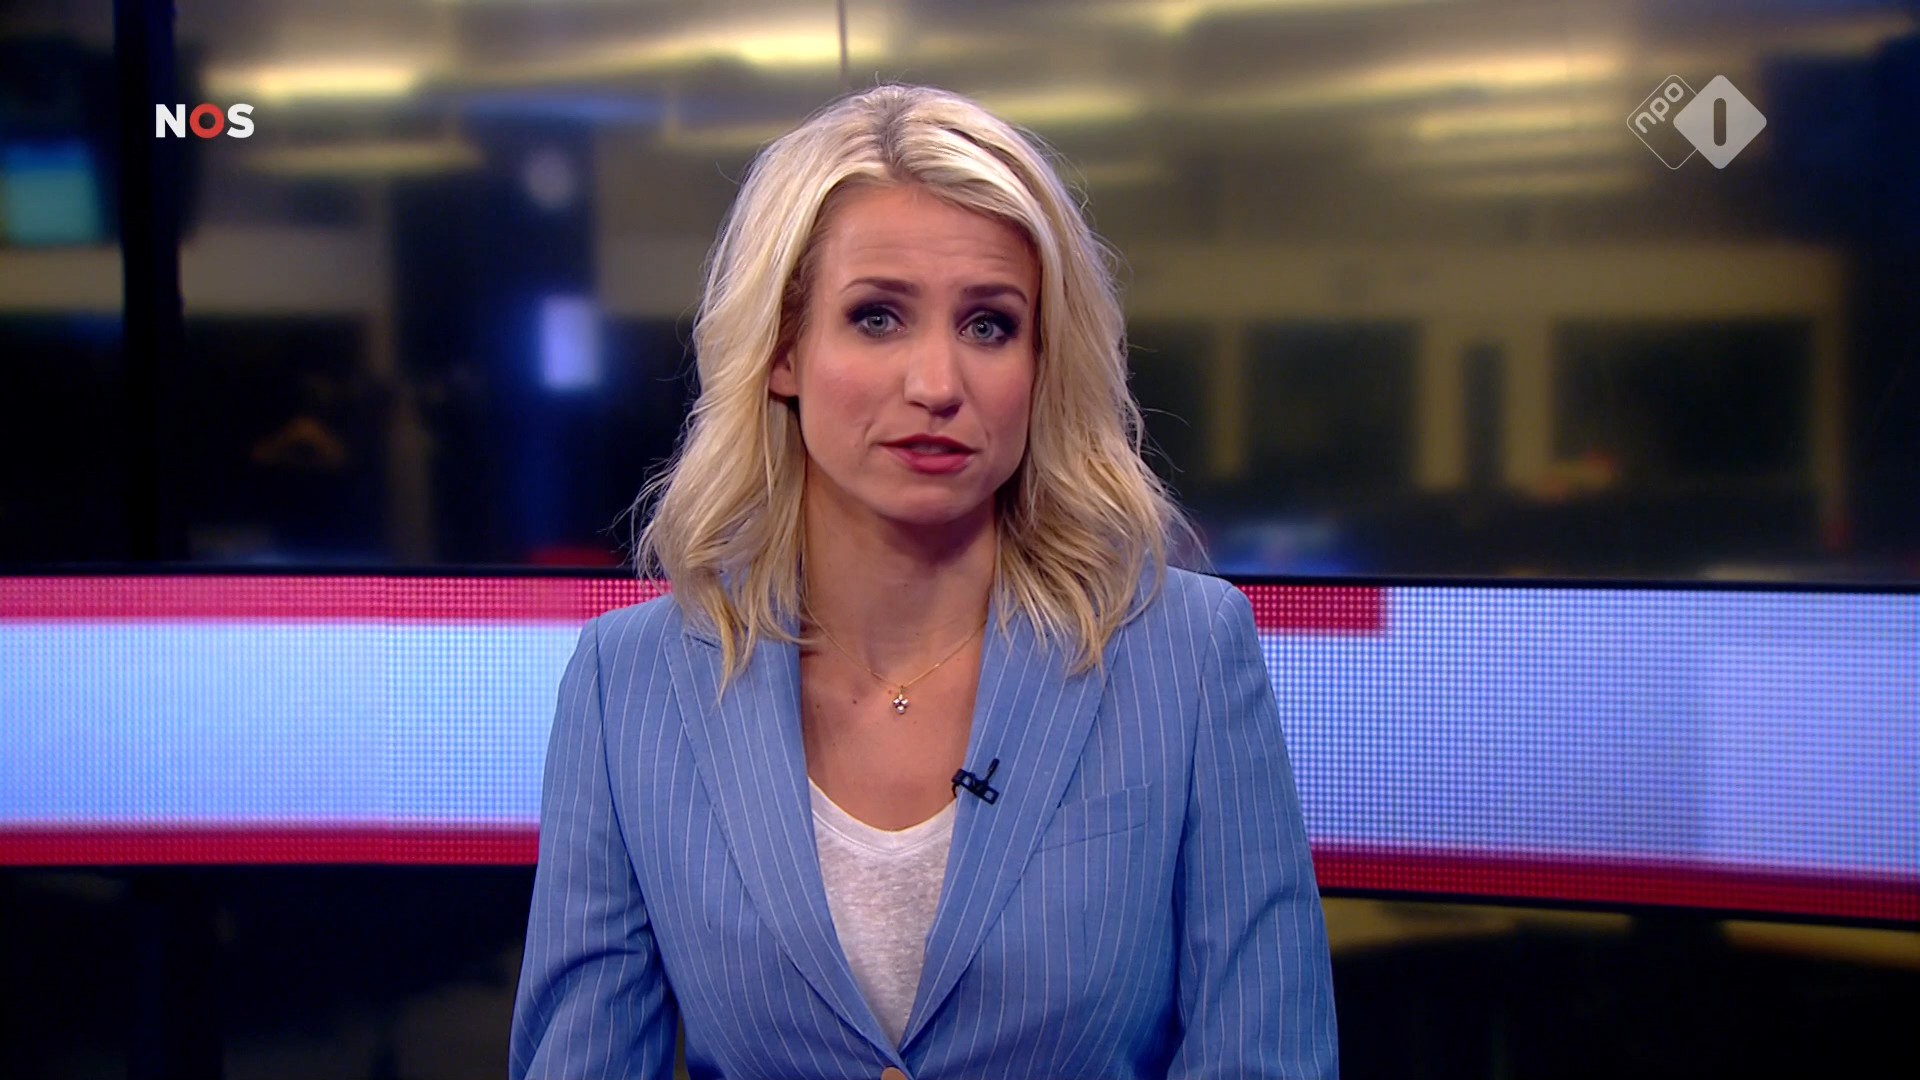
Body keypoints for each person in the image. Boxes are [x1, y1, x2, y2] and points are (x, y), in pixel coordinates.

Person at [509, 84, 1337, 1079]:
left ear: (1042, 361)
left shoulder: (1188, 656)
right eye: (876, 317)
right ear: (783, 350)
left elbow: (1266, 1052)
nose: (938, 385)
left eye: (990, 325)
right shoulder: (628, 683)